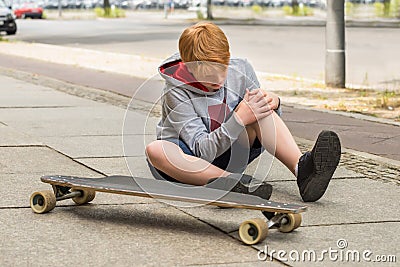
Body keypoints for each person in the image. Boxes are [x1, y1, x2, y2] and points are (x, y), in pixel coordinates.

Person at [145, 22, 341, 202]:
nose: (218, 80)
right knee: (156, 150)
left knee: (260, 111)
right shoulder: (175, 92)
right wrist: (238, 118)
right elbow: (201, 151)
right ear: (189, 68)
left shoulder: (242, 68)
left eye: (222, 70)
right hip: (189, 163)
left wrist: (274, 102)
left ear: (228, 59)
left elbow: (267, 127)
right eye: (208, 76)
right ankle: (229, 183)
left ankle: (303, 171)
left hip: (230, 152)